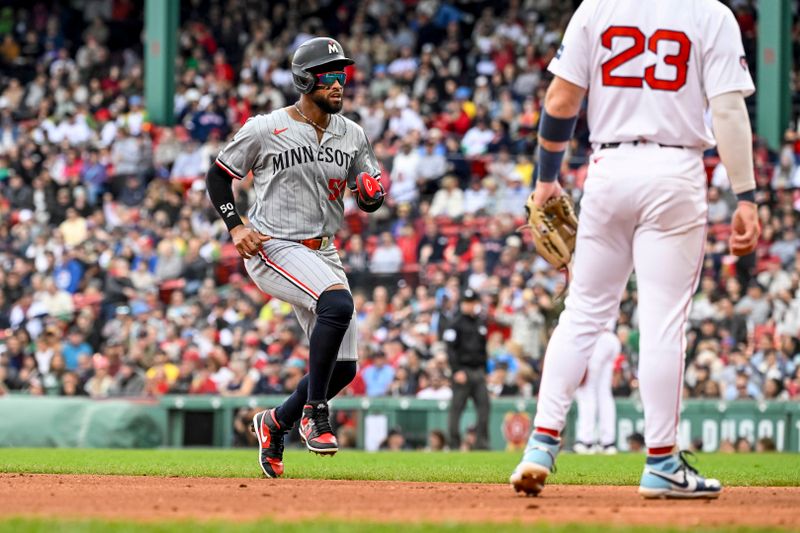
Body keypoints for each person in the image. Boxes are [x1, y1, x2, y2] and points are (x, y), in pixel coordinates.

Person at [510, 0, 759, 500]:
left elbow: (561, 100)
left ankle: (540, 443)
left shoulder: (597, 8)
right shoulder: (710, 13)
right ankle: (662, 460)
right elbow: (728, 109)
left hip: (608, 169)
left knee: (582, 313)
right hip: (676, 170)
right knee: (662, 321)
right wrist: (746, 195)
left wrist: (545, 182)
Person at [205, 37, 385, 479]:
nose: (339, 82)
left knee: (343, 367)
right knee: (338, 304)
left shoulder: (353, 133)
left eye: (342, 73)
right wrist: (236, 225)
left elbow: (370, 185)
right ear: (305, 80)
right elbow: (217, 176)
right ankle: (314, 412)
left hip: (322, 248)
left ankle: (275, 422)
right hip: (273, 245)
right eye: (329, 74)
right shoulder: (265, 127)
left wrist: (372, 193)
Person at [443, 289, 490, 450]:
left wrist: (485, 370)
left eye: (472, 302)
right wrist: (456, 371)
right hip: (462, 371)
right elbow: (450, 350)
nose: (469, 306)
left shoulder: (480, 323)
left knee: (484, 407)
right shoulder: (454, 323)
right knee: (456, 409)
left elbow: (484, 350)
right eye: (466, 302)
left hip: (478, 371)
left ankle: (481, 444)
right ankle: (454, 444)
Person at [573, 326, 621, 454]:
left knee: (586, 391)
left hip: (596, 337)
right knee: (604, 393)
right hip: (610, 337)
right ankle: (608, 442)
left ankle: (586, 440)